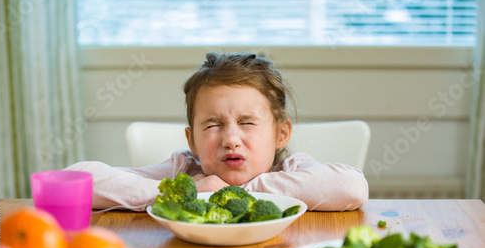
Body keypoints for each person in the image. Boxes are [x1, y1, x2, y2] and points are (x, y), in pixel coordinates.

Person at [66, 52, 368, 211]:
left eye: (248, 123)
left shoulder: (290, 168)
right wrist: (184, 195)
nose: (231, 139)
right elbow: (77, 181)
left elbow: (352, 187)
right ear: (192, 141)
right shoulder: (185, 171)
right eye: (213, 125)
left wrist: (232, 195)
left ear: (281, 135)